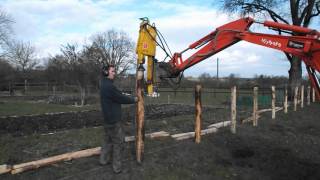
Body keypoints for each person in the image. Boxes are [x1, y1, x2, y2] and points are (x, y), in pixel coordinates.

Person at [99, 64, 137, 173]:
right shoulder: (109, 86)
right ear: (106, 72)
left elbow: (116, 95)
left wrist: (122, 94)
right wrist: (134, 99)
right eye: (113, 71)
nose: (114, 73)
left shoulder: (104, 84)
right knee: (118, 143)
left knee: (107, 141)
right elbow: (120, 98)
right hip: (114, 120)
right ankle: (117, 168)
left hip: (106, 119)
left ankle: (103, 160)